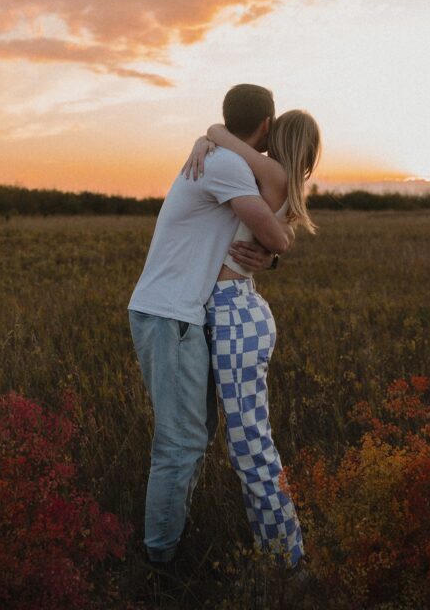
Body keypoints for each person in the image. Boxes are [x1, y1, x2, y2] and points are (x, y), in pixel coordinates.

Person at [127, 84, 294, 573]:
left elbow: (253, 241)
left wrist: (268, 259)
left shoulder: (221, 157)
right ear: (265, 125)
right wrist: (275, 249)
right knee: (180, 443)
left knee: (192, 438)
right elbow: (272, 232)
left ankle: (168, 540)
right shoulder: (226, 164)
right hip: (170, 314)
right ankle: (160, 561)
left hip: (181, 313)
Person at [182, 109, 321, 569]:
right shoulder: (278, 180)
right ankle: (282, 555)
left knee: (251, 451)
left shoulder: (270, 171)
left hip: (236, 315)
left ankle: (288, 562)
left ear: (274, 134)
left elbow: (223, 134)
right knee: (248, 447)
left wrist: (210, 136)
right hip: (237, 308)